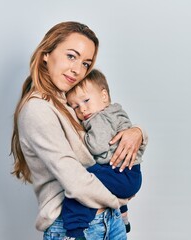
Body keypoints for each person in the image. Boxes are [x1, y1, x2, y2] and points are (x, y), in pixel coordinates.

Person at [10, 21, 148, 240]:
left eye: (86, 63)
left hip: (108, 220)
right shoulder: (38, 109)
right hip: (75, 227)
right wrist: (121, 199)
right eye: (71, 56)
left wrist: (137, 132)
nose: (77, 70)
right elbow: (75, 181)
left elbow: (106, 128)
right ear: (46, 53)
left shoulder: (69, 100)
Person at [63, 69, 146, 239]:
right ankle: (123, 217)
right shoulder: (117, 111)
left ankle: (74, 232)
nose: (82, 110)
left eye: (86, 100)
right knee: (105, 182)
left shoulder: (97, 118)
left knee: (80, 185)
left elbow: (97, 147)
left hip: (121, 174)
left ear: (104, 96)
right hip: (132, 174)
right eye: (75, 106)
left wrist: (83, 138)